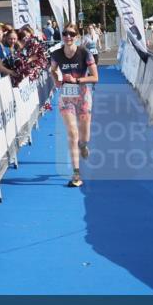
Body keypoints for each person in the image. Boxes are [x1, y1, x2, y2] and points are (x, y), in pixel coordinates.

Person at [50, 24, 98, 188]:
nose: (68, 37)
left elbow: (95, 77)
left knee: (83, 136)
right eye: (65, 34)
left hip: (83, 97)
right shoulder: (56, 54)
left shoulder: (85, 53)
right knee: (72, 132)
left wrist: (76, 80)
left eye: (71, 34)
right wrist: (56, 79)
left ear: (76, 36)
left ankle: (83, 145)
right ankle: (76, 173)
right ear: (62, 36)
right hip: (66, 97)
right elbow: (52, 70)